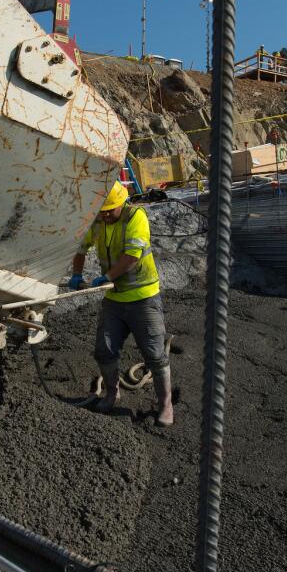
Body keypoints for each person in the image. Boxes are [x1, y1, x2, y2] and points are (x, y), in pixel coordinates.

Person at [68, 180, 173, 426]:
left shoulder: (135, 217)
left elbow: (132, 256)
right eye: (101, 211)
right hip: (114, 300)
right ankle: (112, 393)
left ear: (121, 203)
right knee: (104, 350)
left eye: (109, 210)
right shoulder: (99, 221)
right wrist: (76, 274)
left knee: (155, 355)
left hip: (143, 298)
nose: (105, 215)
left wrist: (107, 276)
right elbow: (80, 248)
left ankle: (166, 405)